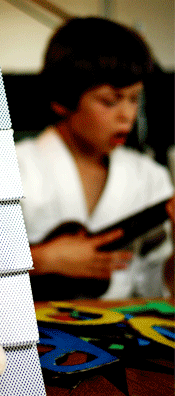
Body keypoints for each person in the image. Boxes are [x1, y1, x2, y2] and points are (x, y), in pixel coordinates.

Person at [15, 17, 174, 301]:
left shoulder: (150, 177)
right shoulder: (15, 168)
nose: (126, 115)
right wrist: (41, 259)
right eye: (110, 101)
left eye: (134, 98)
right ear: (62, 100)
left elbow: (157, 287)